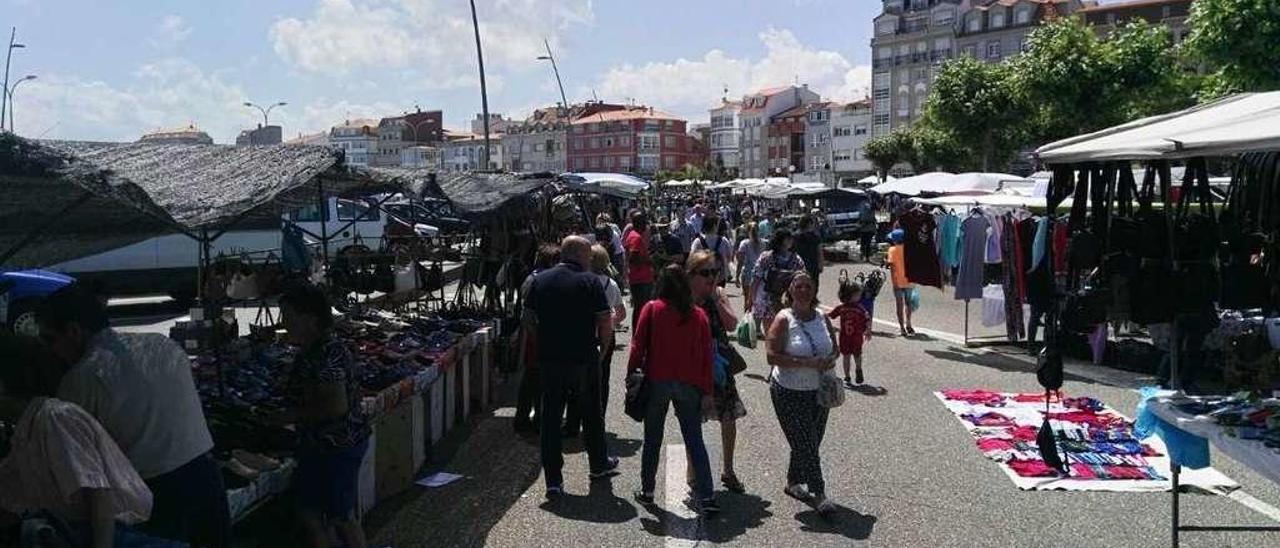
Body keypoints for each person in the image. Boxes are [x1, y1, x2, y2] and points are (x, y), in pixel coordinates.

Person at [40, 285, 230, 547]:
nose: (51, 350)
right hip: (206, 478)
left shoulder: (83, 378)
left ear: (73, 331)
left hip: (157, 494)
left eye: (50, 339)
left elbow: (85, 470)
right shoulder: (160, 344)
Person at [0, 334, 182, 548]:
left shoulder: (55, 418)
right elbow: (11, 500)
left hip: (108, 535)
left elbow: (99, 493)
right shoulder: (25, 433)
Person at [524, 236, 619, 499]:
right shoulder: (590, 281)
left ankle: (553, 480)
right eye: (588, 256)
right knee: (591, 414)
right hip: (583, 357)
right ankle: (598, 465)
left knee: (551, 418)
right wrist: (603, 349)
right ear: (580, 255)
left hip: (551, 359)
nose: (590, 260)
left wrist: (541, 341)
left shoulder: (539, 280)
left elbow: (528, 320)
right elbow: (604, 321)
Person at [278, 284, 370, 548]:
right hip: (331, 445)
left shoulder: (325, 354)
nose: (284, 323)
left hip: (335, 446)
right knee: (316, 514)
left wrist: (288, 416)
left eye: (288, 316)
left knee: (339, 517)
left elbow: (335, 407)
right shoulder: (320, 349)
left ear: (309, 318)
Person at [628, 265, 719, 514]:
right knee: (694, 440)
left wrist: (631, 373)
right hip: (689, 384)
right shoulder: (697, 314)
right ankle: (708, 496)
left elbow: (638, 345)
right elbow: (706, 357)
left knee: (652, 439)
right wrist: (708, 390)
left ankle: (647, 491)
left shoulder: (652, 309)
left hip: (658, 380)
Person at [765, 272, 840, 515]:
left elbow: (835, 348)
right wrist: (807, 363)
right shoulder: (784, 318)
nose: (804, 290)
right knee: (807, 443)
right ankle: (820, 494)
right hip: (788, 392)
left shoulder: (821, 317)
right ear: (791, 290)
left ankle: (792, 481)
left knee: (811, 441)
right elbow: (771, 356)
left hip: (819, 391)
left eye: (809, 286)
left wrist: (830, 359)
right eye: (799, 286)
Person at [687, 250, 748, 494]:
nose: (712, 277)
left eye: (715, 271)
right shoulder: (685, 299)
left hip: (719, 366)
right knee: (692, 421)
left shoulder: (718, 294)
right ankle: (693, 470)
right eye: (706, 273)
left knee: (728, 417)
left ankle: (728, 470)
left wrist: (715, 298)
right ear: (691, 275)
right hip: (692, 367)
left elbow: (732, 324)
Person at [563, 245, 626, 436]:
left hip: (582, 335)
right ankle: (598, 420)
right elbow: (621, 313)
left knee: (575, 380)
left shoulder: (578, 281)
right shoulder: (611, 284)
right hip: (605, 336)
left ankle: (573, 423)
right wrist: (608, 322)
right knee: (601, 380)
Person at [514, 243, 560, 433]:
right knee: (540, 380)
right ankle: (538, 420)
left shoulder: (531, 278)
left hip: (533, 336)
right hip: (539, 336)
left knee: (530, 379)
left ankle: (524, 418)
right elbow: (529, 314)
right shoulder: (541, 280)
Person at [748, 228, 807, 329]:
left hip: (766, 298)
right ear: (781, 240)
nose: (791, 241)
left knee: (769, 330)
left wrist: (751, 299)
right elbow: (804, 278)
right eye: (788, 238)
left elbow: (756, 279)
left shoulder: (765, 256)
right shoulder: (796, 259)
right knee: (786, 329)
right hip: (787, 298)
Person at [827, 281, 872, 387]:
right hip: (850, 337)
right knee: (850, 356)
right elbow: (868, 319)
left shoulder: (846, 308)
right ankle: (849, 374)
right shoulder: (855, 308)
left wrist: (867, 330)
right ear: (850, 295)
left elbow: (829, 315)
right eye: (858, 295)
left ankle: (856, 371)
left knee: (852, 355)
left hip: (850, 337)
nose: (860, 297)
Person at [623, 211, 656, 329]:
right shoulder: (635, 237)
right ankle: (639, 334)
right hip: (640, 280)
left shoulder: (633, 235)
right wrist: (648, 260)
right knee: (641, 309)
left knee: (640, 309)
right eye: (644, 223)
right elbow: (633, 258)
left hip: (640, 279)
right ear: (640, 224)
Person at [886, 228, 916, 336]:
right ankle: (909, 324)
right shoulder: (910, 250)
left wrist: (894, 282)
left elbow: (892, 267)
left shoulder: (892, 250)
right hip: (909, 281)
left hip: (897, 281)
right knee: (908, 304)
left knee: (899, 305)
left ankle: (902, 328)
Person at [690, 214, 735, 287]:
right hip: (720, 276)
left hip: (703, 276)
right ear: (714, 226)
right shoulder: (723, 240)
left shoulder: (698, 241)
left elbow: (692, 258)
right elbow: (729, 257)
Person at [794, 215, 824, 287]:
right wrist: (821, 264)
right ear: (809, 224)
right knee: (813, 286)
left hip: (798, 266)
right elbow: (819, 252)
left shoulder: (794, 236)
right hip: (812, 266)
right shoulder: (815, 237)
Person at [736, 222, 763, 292]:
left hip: (748, 273)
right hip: (760, 275)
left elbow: (740, 261)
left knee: (747, 299)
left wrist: (737, 276)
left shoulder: (744, 243)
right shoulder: (764, 243)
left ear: (747, 231)